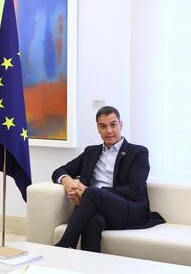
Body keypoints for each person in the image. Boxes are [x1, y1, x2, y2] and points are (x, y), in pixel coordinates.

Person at [51, 106, 164, 252]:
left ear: (120, 125)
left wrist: (91, 192)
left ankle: (65, 244)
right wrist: (68, 182)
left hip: (129, 209)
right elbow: (59, 171)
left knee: (92, 193)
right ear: (98, 128)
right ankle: (90, 267)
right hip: (98, 208)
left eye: (113, 124)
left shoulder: (138, 152)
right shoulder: (91, 152)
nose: (109, 130)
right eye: (103, 126)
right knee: (93, 221)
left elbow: (134, 189)